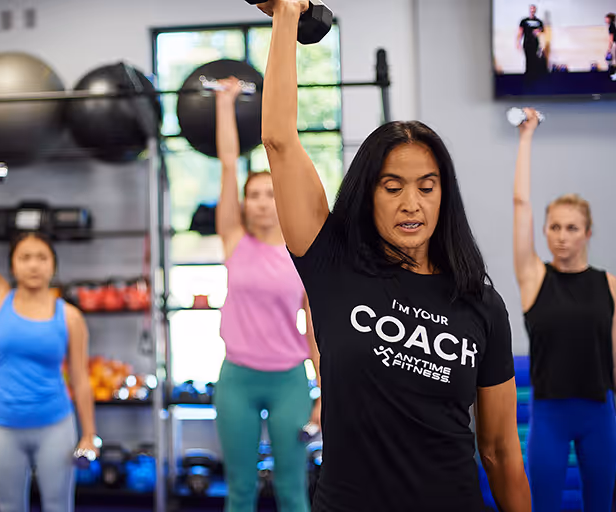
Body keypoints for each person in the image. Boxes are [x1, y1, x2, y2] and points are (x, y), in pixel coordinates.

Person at [254, 1, 532, 510]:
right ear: (369, 194)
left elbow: (498, 449)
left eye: (427, 187)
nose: (412, 203)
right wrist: (287, 15)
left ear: (443, 195)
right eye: (393, 186)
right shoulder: (332, 264)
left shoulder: (481, 304)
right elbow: (279, 141)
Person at [211, 77, 321, 512]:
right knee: (239, 490)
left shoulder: (301, 254)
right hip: (236, 378)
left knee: (293, 489)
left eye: (269, 194)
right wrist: (225, 105)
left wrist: (323, 395)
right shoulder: (233, 239)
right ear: (242, 203)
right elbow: (226, 165)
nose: (260, 202)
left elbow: (316, 331)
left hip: (289, 381)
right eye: (252, 195)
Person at [0, 162, 98, 512]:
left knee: (58, 506)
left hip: (55, 425)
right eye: (25, 257)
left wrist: (88, 435)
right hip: (5, 427)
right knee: (10, 508)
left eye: (41, 257)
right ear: (13, 265)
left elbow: (81, 381)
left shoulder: (69, 316)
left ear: (53, 265)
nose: (34, 264)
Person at [511, 109, 616, 512]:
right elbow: (521, 204)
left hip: (599, 415)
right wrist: (526, 137)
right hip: (550, 416)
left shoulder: (608, 286)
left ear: (588, 233)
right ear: (544, 231)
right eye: (554, 227)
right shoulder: (534, 278)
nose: (562, 236)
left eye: (572, 228)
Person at [517, 4, 545, 78]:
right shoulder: (524, 21)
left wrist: (538, 31)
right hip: (527, 42)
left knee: (534, 58)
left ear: (535, 10)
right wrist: (518, 42)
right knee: (528, 58)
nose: (532, 10)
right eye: (531, 9)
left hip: (535, 43)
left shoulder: (539, 21)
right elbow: (520, 32)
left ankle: (534, 75)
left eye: (534, 9)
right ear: (529, 10)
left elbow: (542, 32)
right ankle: (528, 75)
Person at [606, 13, 615, 77]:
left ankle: (614, 74)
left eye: (606, 18)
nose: (605, 20)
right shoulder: (613, 25)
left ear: (610, 19)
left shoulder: (611, 26)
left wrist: (609, 48)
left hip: (614, 44)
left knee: (613, 60)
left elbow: (611, 38)